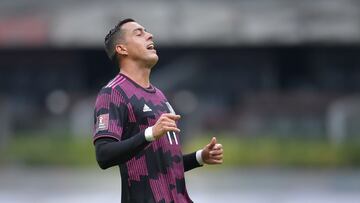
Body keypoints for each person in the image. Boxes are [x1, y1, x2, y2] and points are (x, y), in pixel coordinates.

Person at [93, 18, 224, 203]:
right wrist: (150, 133)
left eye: (146, 31)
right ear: (122, 49)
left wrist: (200, 157)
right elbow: (103, 155)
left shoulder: (159, 96)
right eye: (139, 33)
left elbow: (165, 165)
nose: (149, 35)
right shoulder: (113, 93)